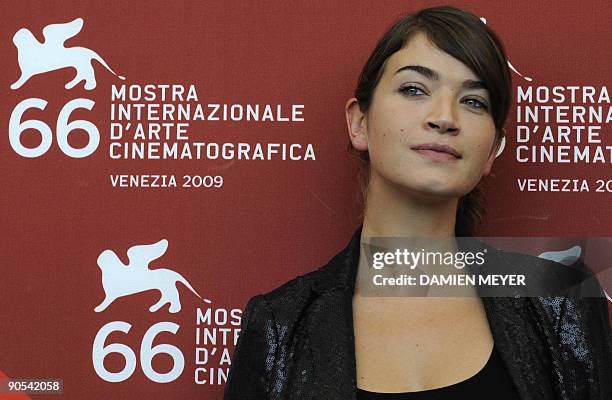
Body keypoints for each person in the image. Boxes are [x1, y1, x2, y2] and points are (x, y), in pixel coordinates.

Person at [223, 6, 612, 400]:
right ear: (360, 122)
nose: (445, 117)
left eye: (474, 101)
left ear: (494, 148)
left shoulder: (560, 301)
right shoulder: (280, 324)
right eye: (414, 89)